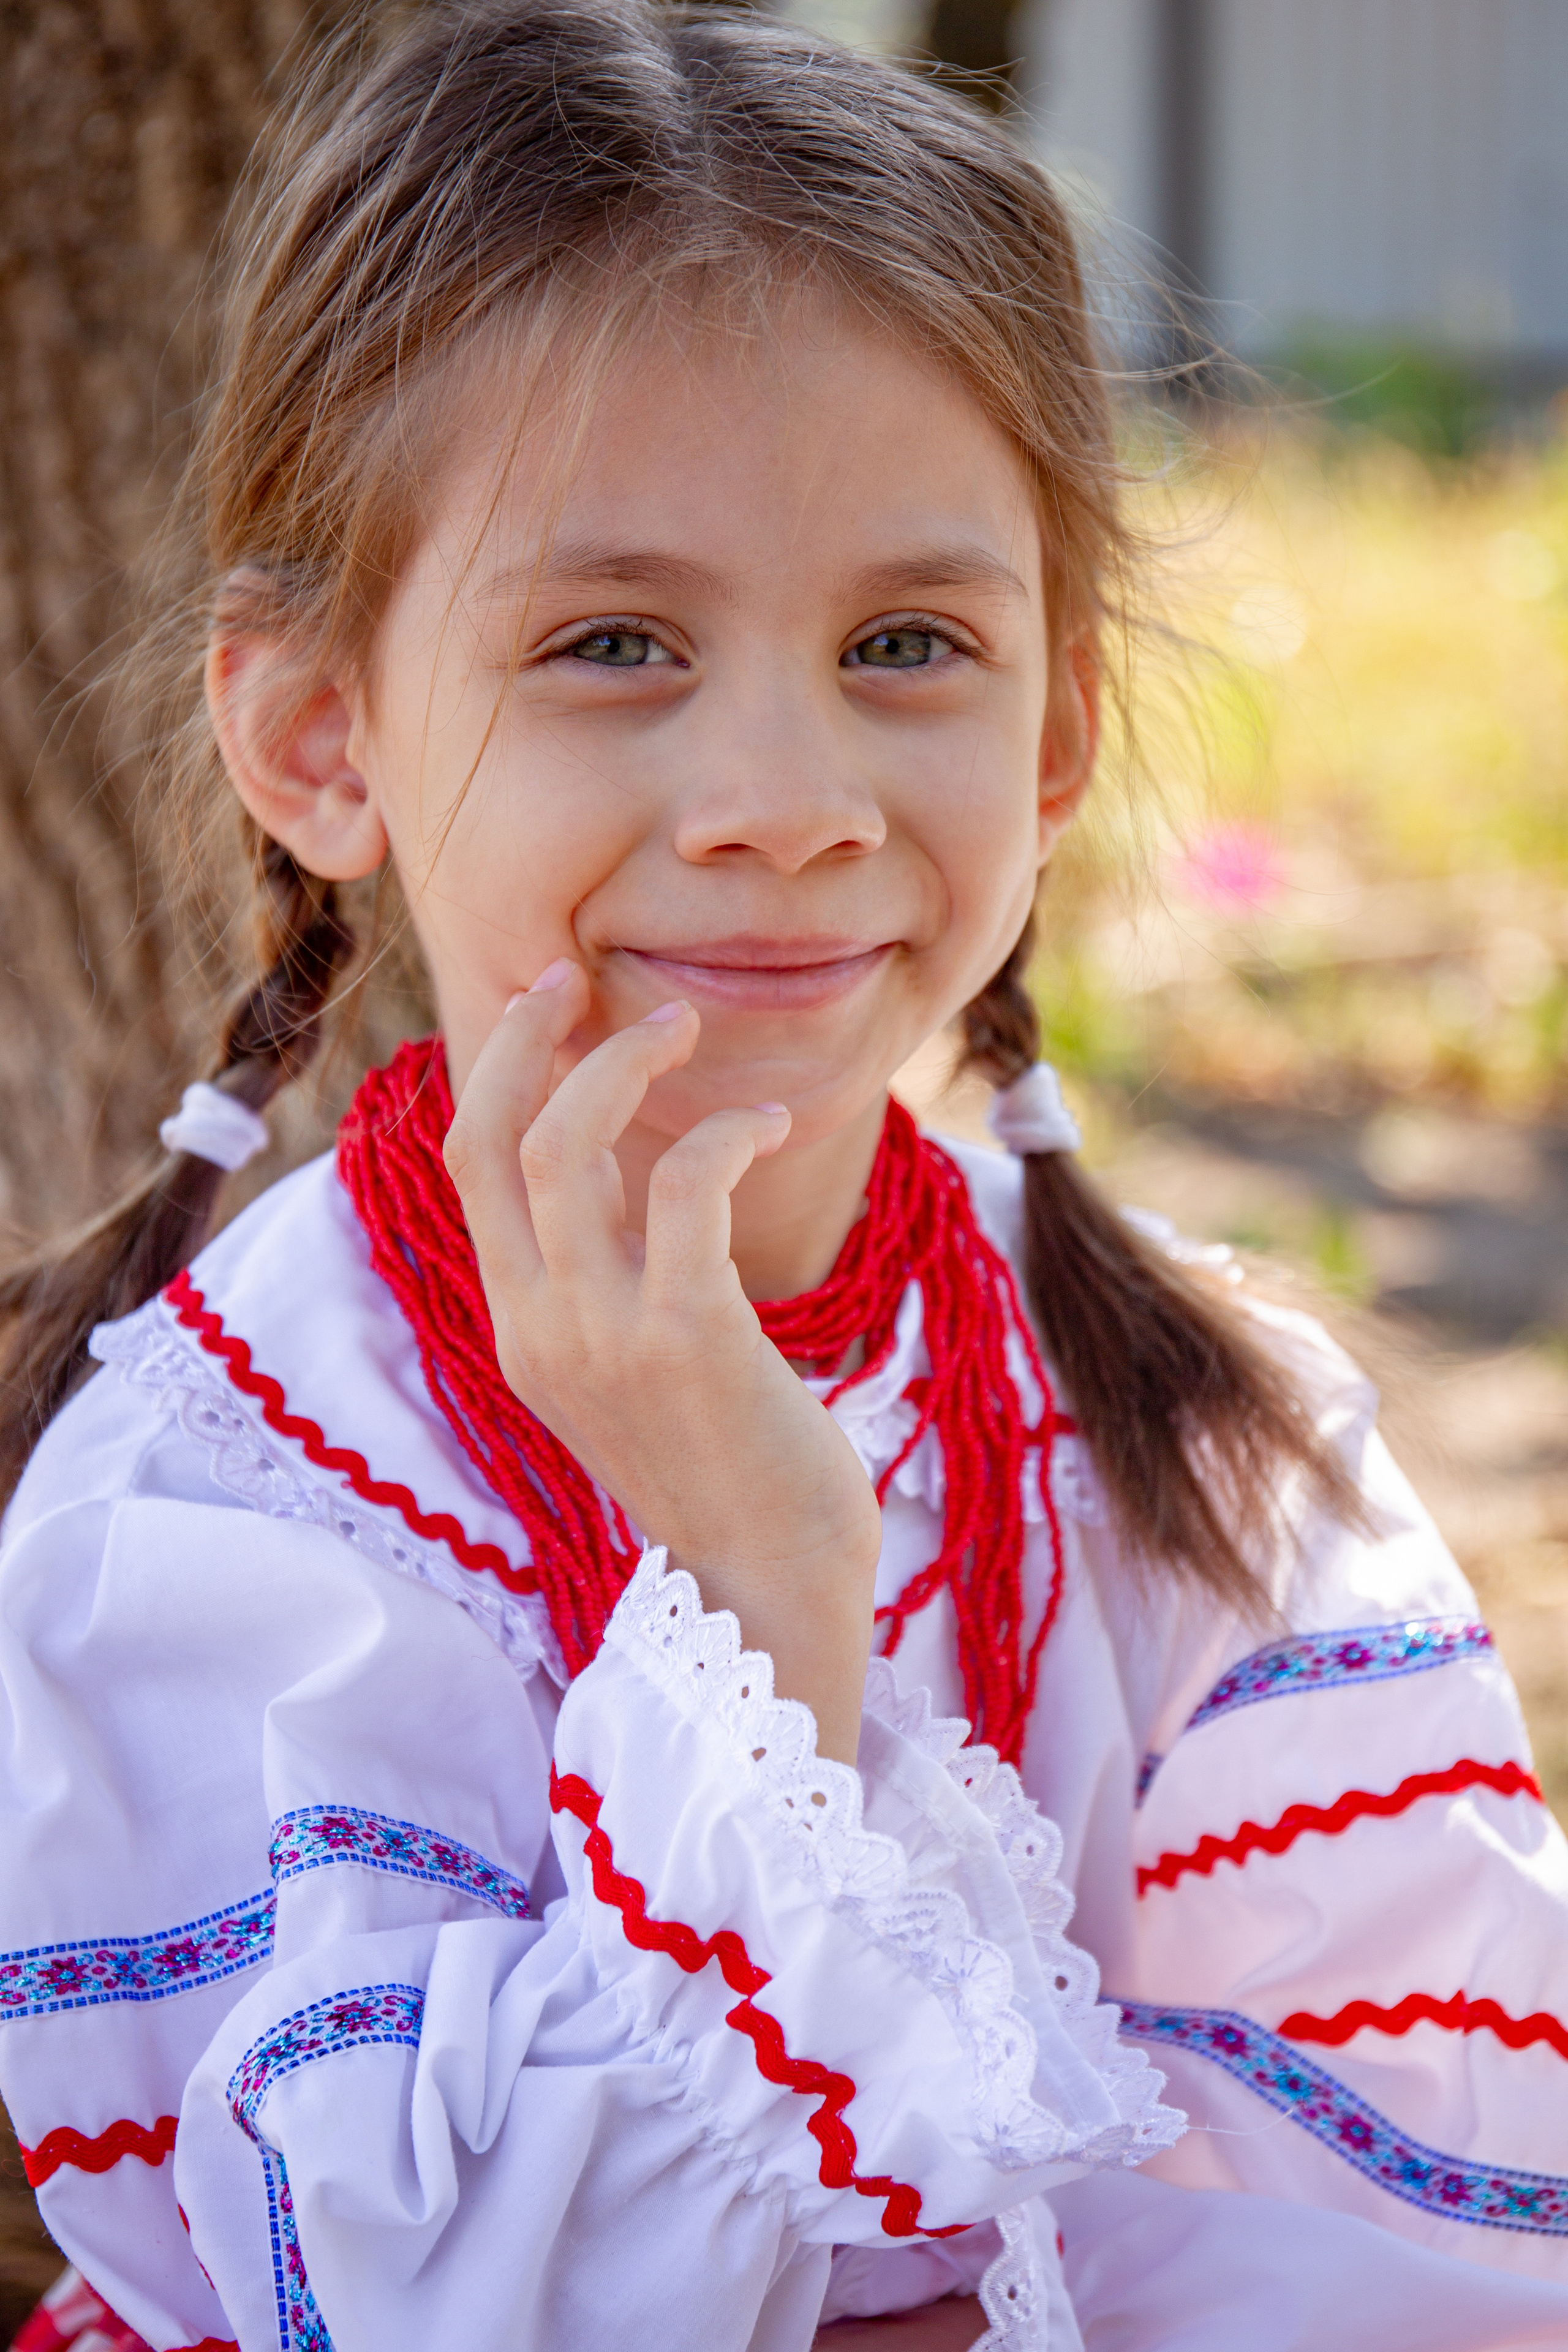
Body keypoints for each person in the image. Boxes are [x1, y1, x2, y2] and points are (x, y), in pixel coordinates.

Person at [1, 6, 1564, 2347]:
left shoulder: (1209, 1448)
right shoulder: (225, 1507)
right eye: (614, 642)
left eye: (905, 643)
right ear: (320, 738)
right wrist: (757, 1590)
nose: (789, 799)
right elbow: (398, 2293)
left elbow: (1423, 2228)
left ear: (1056, 734)